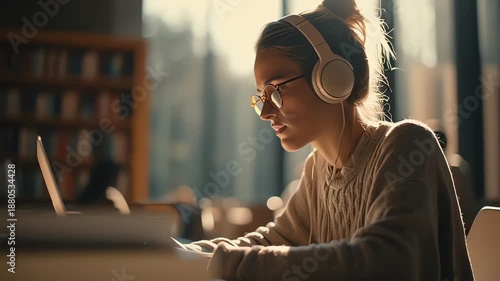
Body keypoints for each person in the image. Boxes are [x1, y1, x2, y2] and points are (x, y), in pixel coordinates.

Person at [184, 0, 475, 280]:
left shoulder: (407, 144)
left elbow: (388, 261)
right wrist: (179, 254)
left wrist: (227, 263)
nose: (266, 113)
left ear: (331, 78)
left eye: (275, 90)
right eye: (261, 97)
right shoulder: (316, 171)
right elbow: (273, 239)